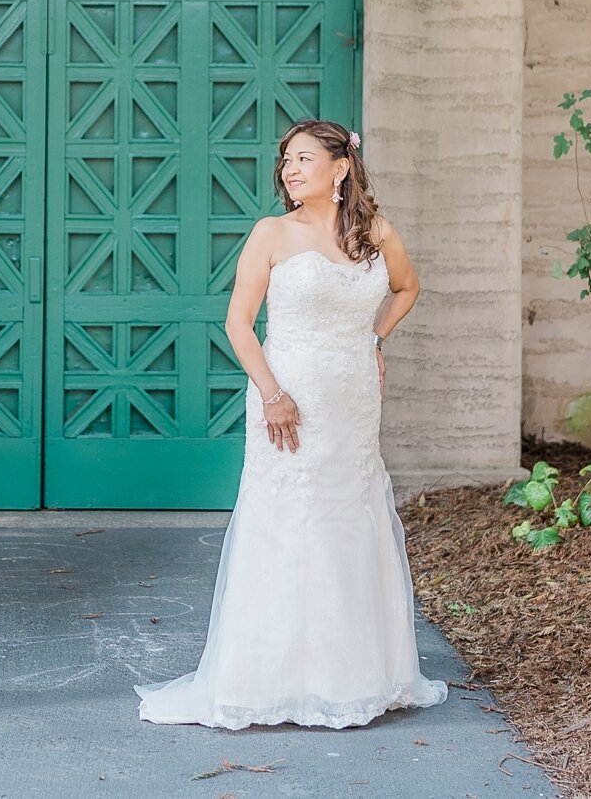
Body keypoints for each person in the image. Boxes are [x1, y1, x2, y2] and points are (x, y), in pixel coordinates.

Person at [135, 119, 449, 730]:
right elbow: (237, 323)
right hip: (287, 399)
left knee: (350, 519)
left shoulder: (377, 234)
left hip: (352, 401)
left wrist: (376, 339)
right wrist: (273, 392)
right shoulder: (271, 233)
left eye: (304, 158)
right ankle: (268, 680)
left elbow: (407, 288)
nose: (290, 169)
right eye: (286, 161)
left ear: (341, 167)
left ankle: (356, 676)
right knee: (288, 520)